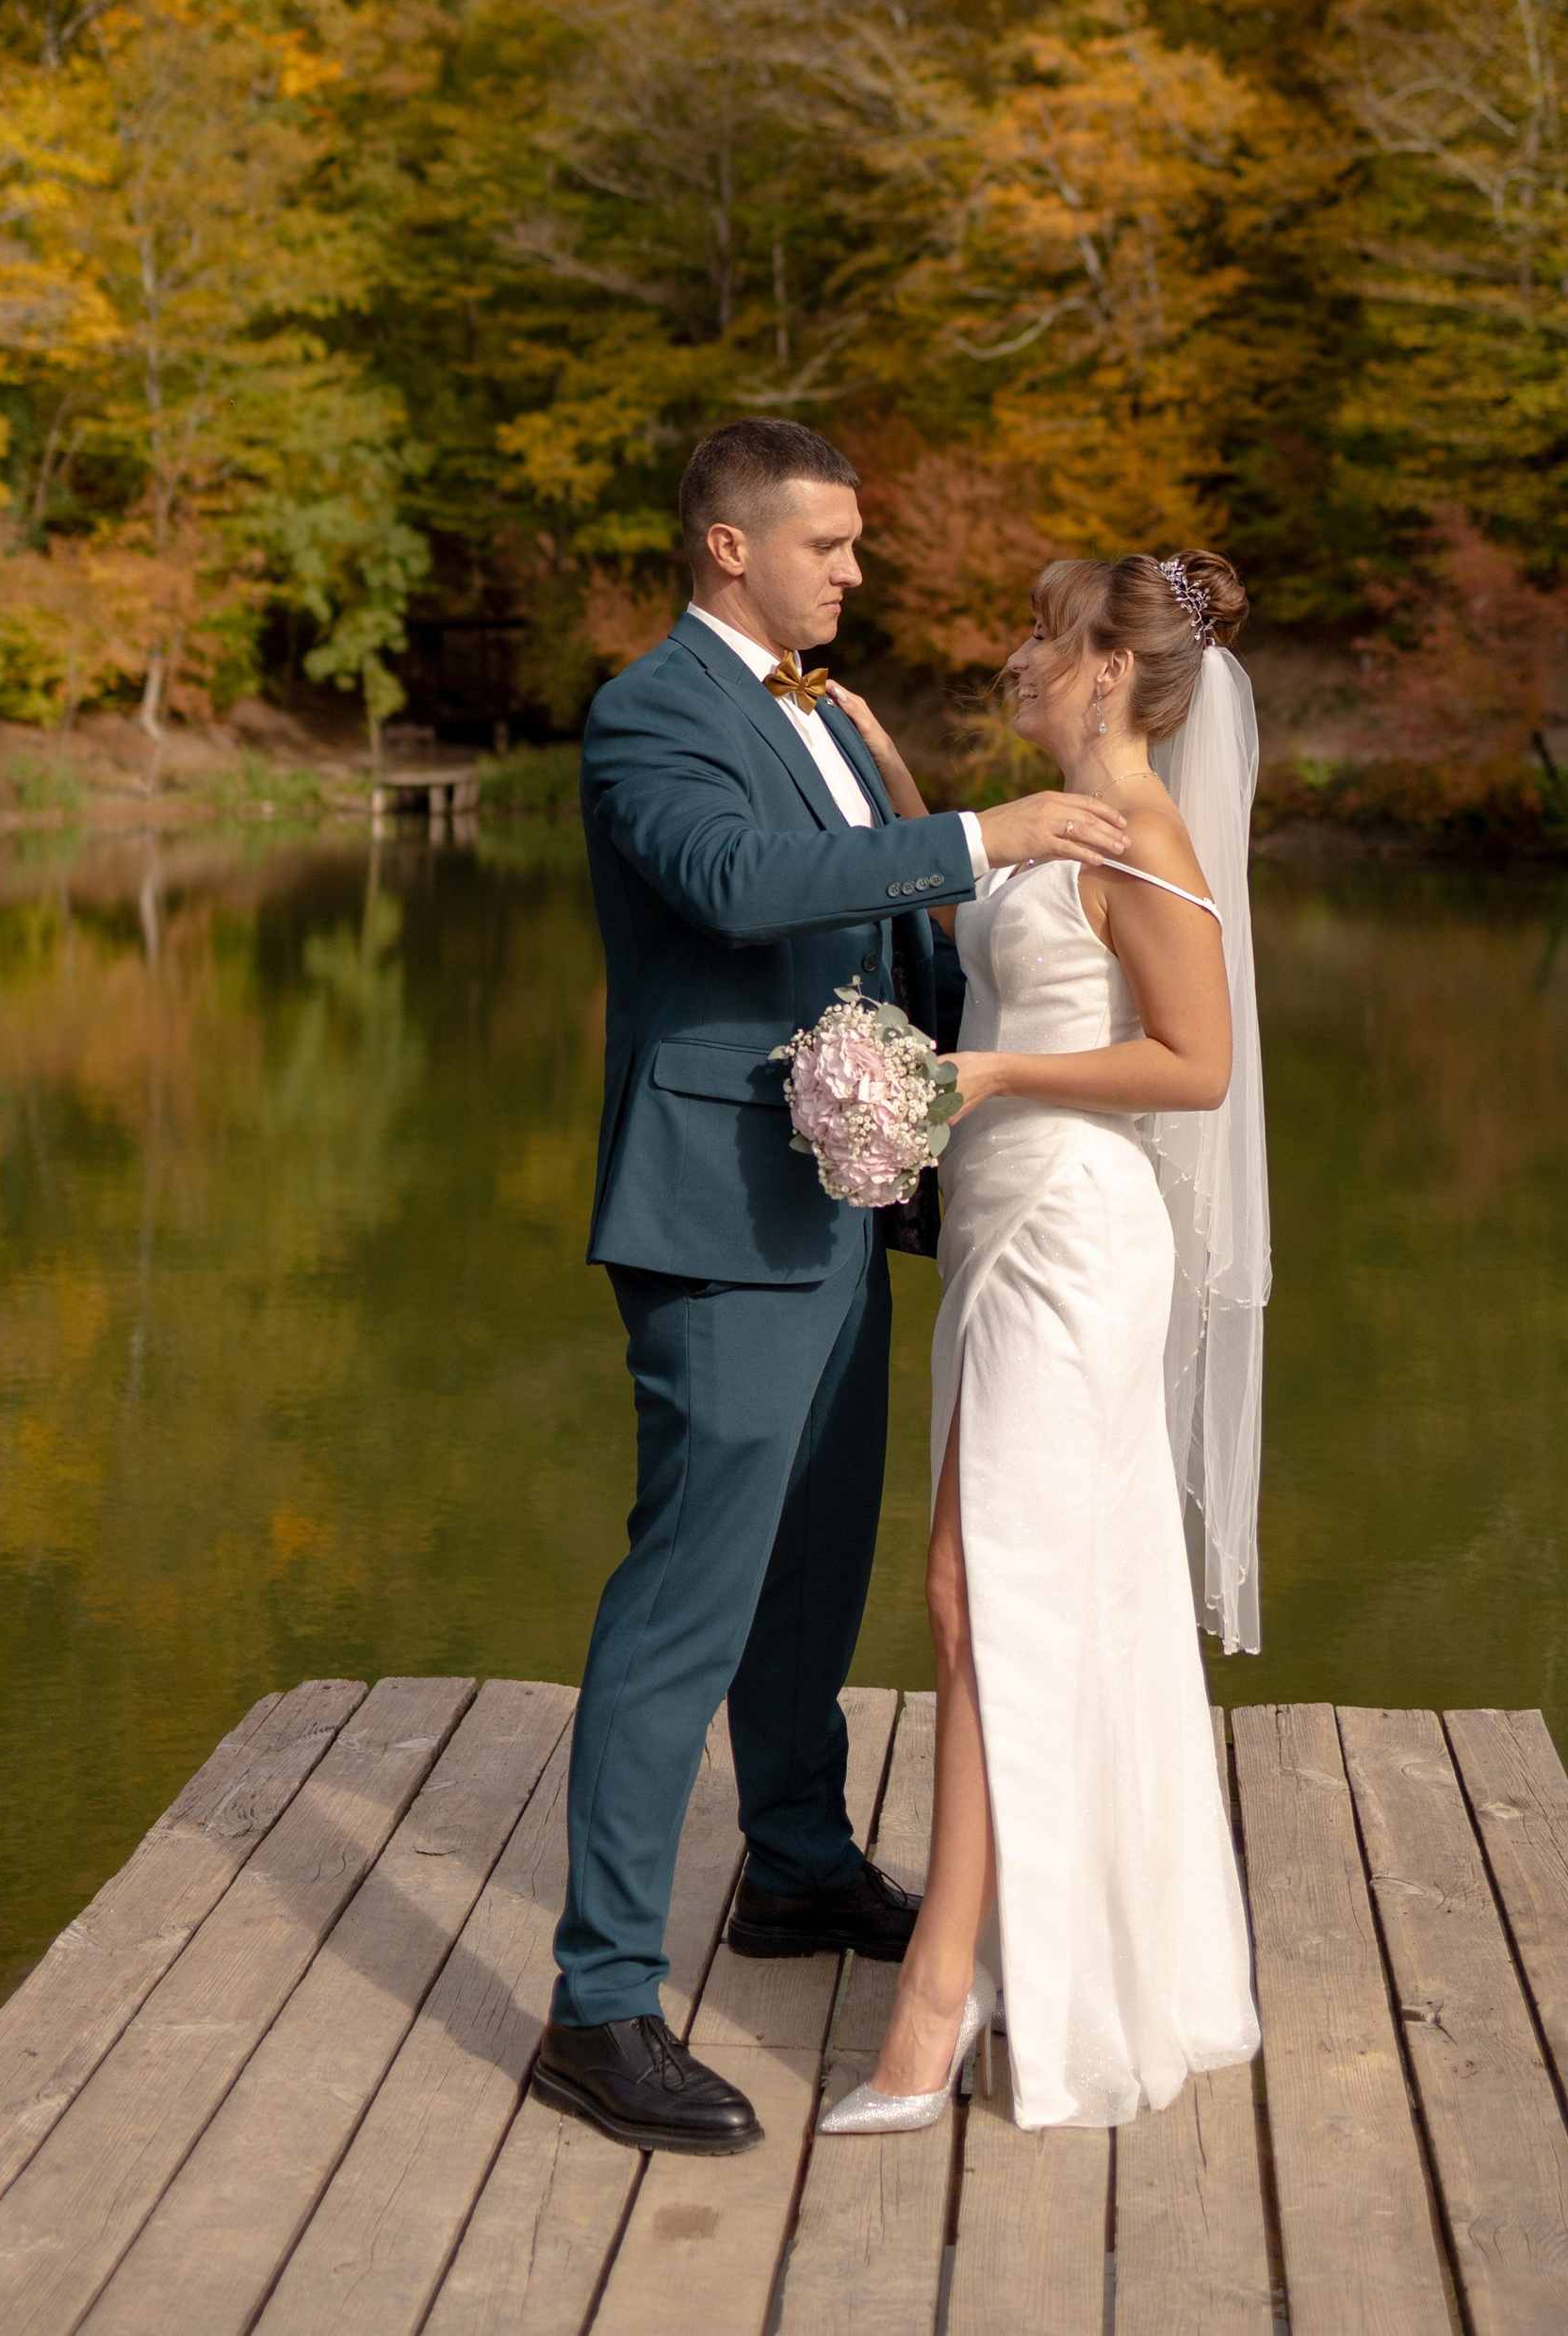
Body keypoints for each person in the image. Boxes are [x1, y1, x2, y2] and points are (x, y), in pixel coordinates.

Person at [532, 419, 1136, 2157]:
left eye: (859, 546)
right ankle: (598, 2005)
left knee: (812, 1573)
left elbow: (885, 947)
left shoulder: (825, 716)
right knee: (689, 1601)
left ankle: (792, 1866)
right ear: (731, 549)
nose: (857, 573)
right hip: (715, 1215)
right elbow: (733, 888)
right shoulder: (655, 712)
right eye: (832, 547)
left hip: (836, 1203)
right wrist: (974, 828)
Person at [816, 548, 1267, 2135]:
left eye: (1041, 633)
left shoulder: (1146, 831)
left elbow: (1196, 1063)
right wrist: (887, 781)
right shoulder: (1062, 826)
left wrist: (988, 1086)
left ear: (1104, 670)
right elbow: (1010, 937)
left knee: (971, 1589)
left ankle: (941, 1994)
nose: (1016, 652)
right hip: (1009, 1238)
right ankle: (1010, 1952)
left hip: (1074, 1242)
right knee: (984, 1591)